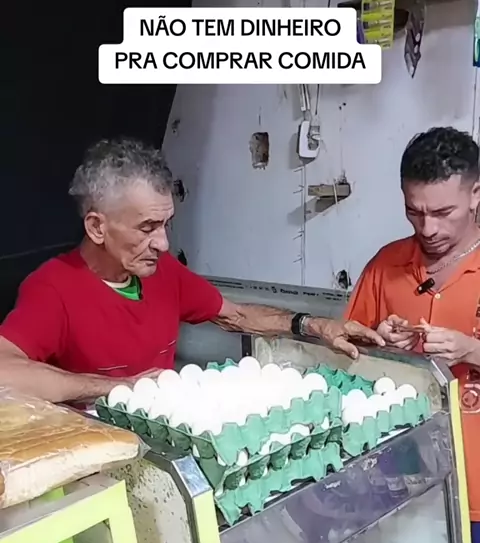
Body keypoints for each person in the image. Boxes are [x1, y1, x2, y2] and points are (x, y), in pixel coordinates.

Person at [0, 138, 383, 405]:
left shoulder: (162, 272)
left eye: (166, 224)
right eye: (147, 228)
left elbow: (237, 316)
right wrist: (116, 387)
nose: (164, 244)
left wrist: (315, 325)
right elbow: (5, 372)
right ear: (97, 227)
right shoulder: (53, 287)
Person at [344, 126, 480, 543]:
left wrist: (473, 349)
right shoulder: (387, 265)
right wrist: (385, 345)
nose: (427, 227)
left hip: (477, 488)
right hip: (405, 484)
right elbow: (349, 356)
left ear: (476, 194)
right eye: (414, 211)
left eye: (443, 212)